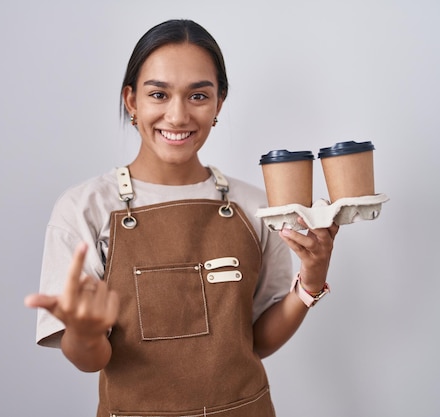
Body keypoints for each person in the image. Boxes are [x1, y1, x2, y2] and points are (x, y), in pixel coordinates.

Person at [25, 19, 338, 417]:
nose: (177, 116)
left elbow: (257, 340)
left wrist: (311, 280)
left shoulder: (257, 206)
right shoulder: (85, 208)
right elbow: (90, 359)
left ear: (219, 104)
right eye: (158, 94)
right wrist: (85, 333)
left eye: (198, 96)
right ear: (131, 101)